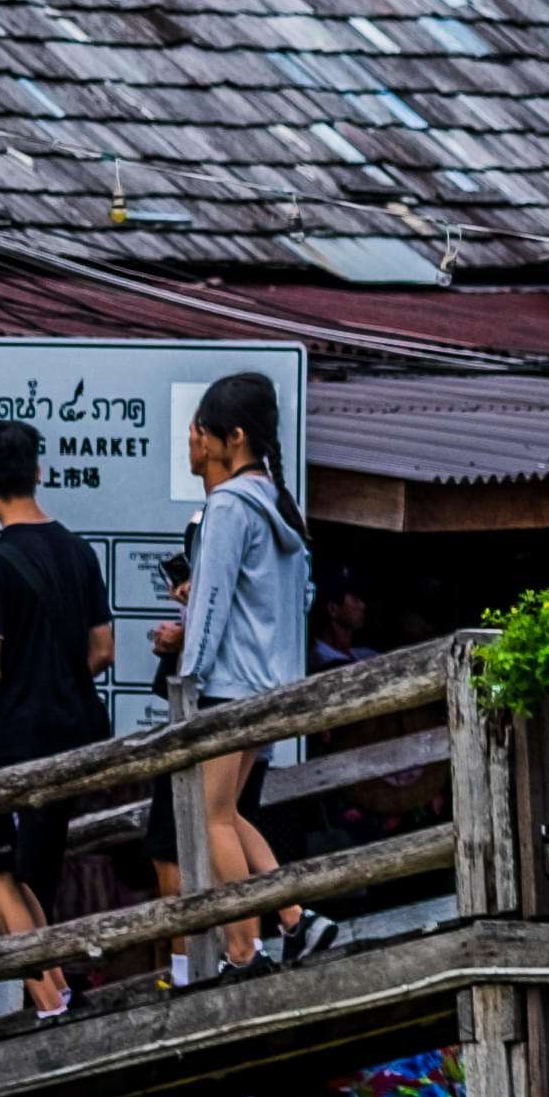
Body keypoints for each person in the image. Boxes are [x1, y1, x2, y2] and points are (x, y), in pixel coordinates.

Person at [151, 370, 311, 977]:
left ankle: (245, 950)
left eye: (203, 431)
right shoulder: (276, 505)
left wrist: (186, 683)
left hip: (224, 688)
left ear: (232, 437)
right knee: (232, 814)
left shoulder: (228, 507)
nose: (196, 440)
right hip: (271, 687)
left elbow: (213, 603)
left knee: (209, 816)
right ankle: (297, 919)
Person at [0, 418, 108, 1019]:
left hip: (15, 741)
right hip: (73, 738)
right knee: (30, 873)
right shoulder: (79, 550)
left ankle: (46, 1000)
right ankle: (59, 986)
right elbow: (103, 650)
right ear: (39, 472)